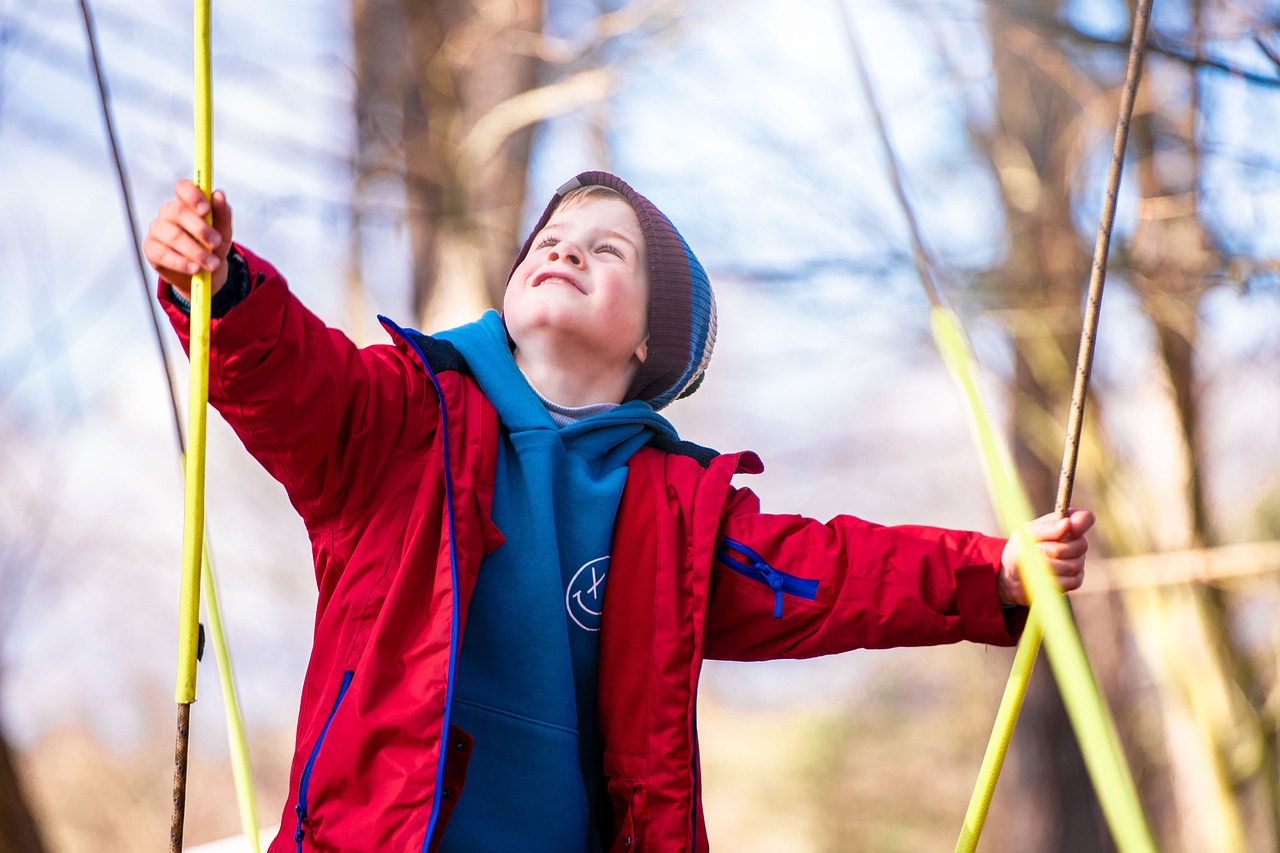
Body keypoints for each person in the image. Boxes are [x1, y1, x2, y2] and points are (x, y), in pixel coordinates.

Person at [145, 171, 1092, 853]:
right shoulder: (401, 416)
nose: (565, 248)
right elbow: (294, 377)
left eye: (608, 251)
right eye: (551, 238)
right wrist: (223, 289)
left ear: (648, 337)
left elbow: (824, 573)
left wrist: (991, 571)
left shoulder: (676, 515)